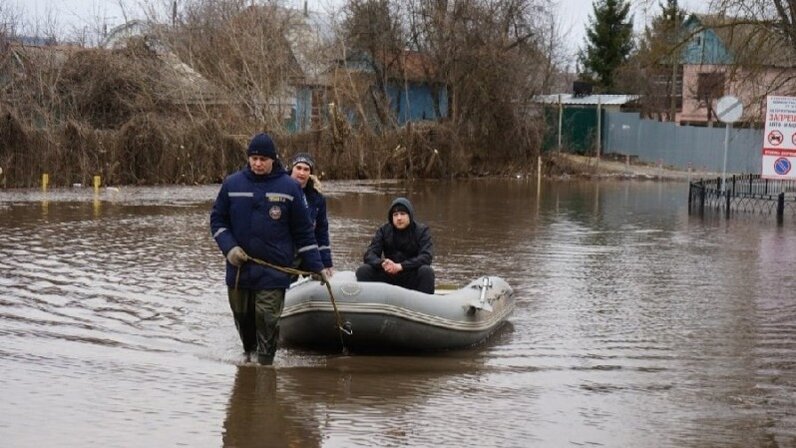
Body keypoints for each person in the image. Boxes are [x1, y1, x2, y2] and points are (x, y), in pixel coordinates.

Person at [210, 132, 325, 365]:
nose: (258, 163)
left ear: (273, 159)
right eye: (254, 158)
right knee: (243, 319)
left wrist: (316, 266)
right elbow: (218, 221)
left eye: (263, 159)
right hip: (239, 270)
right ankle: (249, 360)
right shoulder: (232, 184)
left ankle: (265, 365)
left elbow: (303, 232)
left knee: (267, 318)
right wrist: (229, 248)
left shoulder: (289, 187)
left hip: (274, 270)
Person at [355, 197, 435, 294]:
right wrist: (382, 263)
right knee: (363, 270)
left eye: (402, 214)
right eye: (395, 215)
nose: (399, 218)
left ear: (410, 215)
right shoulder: (384, 230)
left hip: (410, 274)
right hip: (389, 275)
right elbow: (369, 255)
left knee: (426, 271)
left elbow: (426, 257)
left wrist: (401, 266)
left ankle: (424, 305)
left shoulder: (422, 231)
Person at [289, 152, 334, 278]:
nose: (302, 173)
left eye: (306, 169)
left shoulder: (318, 199)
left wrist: (326, 262)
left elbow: (322, 232)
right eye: (298, 168)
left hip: (309, 250)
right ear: (292, 168)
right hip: (285, 252)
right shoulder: (281, 190)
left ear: (310, 173)